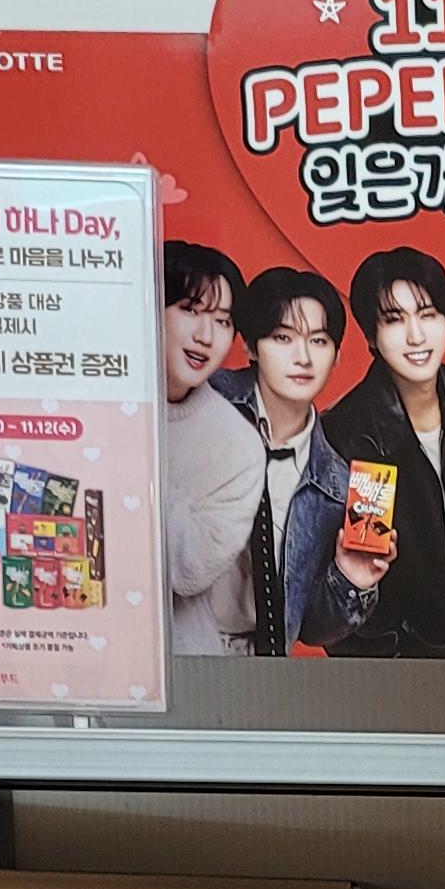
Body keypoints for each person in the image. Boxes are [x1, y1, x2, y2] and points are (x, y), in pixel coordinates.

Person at [322, 245, 445, 660]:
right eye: (394, 320)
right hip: (401, 655)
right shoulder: (348, 433)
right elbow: (353, 577)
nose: (416, 336)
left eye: (428, 315)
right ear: (371, 336)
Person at [204, 266, 381, 656]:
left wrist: (351, 578)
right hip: (174, 648)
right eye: (283, 338)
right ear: (251, 346)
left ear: (336, 356)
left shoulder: (337, 484)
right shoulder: (205, 403)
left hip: (265, 666)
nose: (302, 357)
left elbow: (312, 627)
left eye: (318, 341)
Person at [162, 240, 269, 660]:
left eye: (222, 321)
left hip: (181, 666)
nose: (206, 336)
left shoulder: (237, 447)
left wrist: (125, 466)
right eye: (190, 310)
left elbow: (187, 570)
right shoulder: (87, 409)